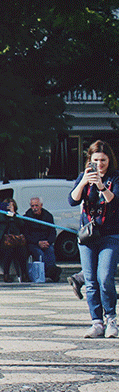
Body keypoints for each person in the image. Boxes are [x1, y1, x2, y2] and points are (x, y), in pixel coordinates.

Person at [69, 139, 119, 339]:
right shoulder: (84, 176)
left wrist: (100, 185)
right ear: (89, 160)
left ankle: (111, 319)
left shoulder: (114, 178)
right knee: (90, 280)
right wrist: (83, 182)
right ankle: (96, 321)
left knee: (105, 277)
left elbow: (114, 203)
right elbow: (72, 200)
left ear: (110, 160)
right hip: (88, 235)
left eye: (103, 160)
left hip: (110, 234)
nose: (99, 164)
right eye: (96, 160)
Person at [0, 199, 28, 283]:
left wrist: (13, 214)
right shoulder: (0, 216)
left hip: (16, 241)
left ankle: (24, 274)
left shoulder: (16, 216)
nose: (8, 207)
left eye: (10, 205)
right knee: (9, 251)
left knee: (21, 251)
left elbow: (22, 225)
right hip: (2, 242)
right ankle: (6, 274)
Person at [23, 197, 60, 283]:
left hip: (45, 241)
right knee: (39, 254)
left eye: (36, 205)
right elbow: (26, 234)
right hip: (33, 243)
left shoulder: (48, 216)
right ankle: (48, 273)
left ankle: (51, 271)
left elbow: (52, 232)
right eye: (32, 206)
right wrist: (37, 242)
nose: (34, 208)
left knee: (50, 251)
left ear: (41, 205)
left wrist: (48, 242)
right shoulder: (27, 217)